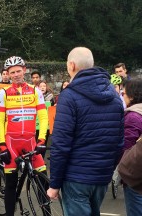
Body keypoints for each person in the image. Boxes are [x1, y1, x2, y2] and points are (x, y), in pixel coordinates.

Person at [47, 47, 124, 216]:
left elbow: (61, 144)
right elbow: (119, 143)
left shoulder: (69, 96)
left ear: (71, 65)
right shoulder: (114, 97)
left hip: (76, 177)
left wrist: (54, 184)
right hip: (101, 177)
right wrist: (108, 168)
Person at [0, 56, 48, 216]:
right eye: (12, 72)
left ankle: (48, 213)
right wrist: (2, 145)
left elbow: (43, 117)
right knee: (11, 185)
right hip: (11, 143)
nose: (16, 74)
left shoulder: (35, 90)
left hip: (30, 142)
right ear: (8, 74)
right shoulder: (3, 93)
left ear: (24, 70)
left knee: (43, 182)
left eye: (19, 71)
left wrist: (42, 139)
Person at [121, 78, 142, 216]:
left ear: (132, 95)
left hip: (135, 178)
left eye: (124, 92)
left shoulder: (133, 116)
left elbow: (127, 148)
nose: (123, 95)